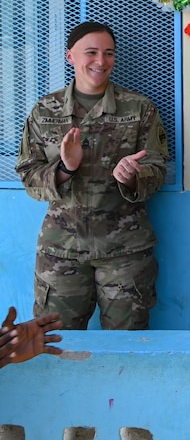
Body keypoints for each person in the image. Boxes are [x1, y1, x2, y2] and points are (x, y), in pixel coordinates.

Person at [16, 21, 169, 330]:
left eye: (108, 53)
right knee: (57, 345)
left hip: (125, 251)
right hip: (61, 251)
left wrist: (132, 177)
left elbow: (158, 169)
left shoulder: (140, 109)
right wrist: (64, 169)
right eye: (91, 52)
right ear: (70, 56)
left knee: (127, 346)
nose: (101, 61)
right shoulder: (45, 111)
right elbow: (29, 176)